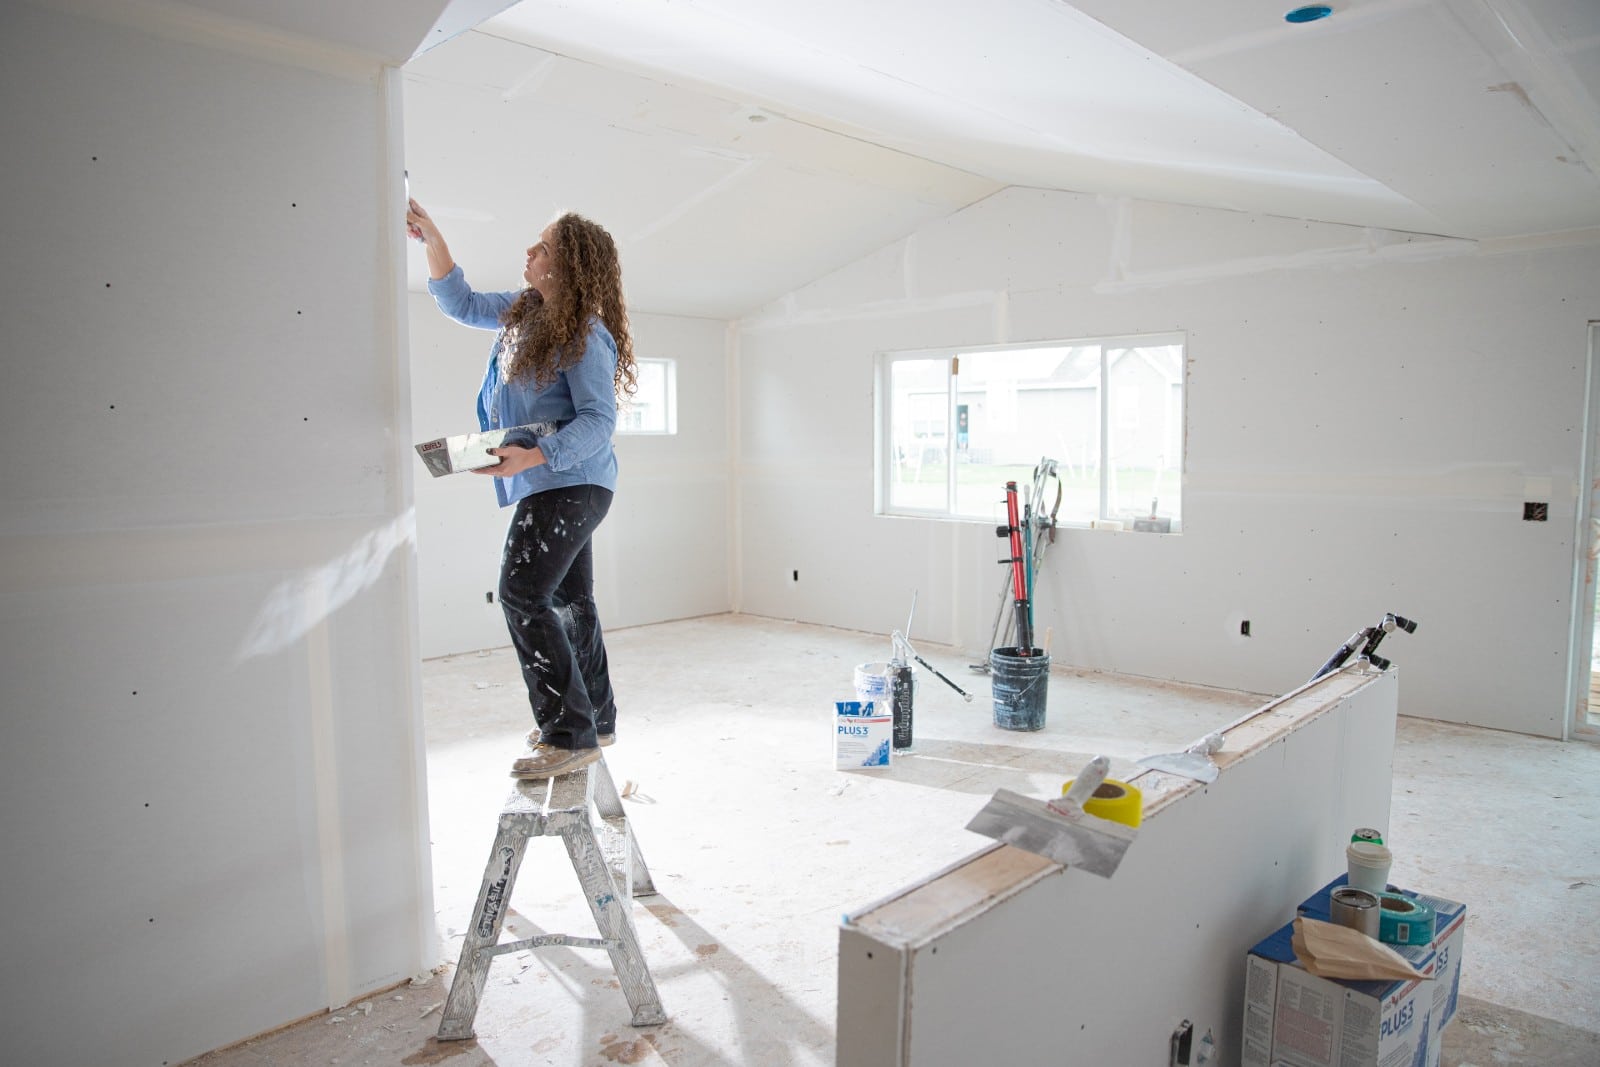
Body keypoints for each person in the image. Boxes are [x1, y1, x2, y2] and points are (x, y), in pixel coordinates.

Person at [406, 198, 636, 779]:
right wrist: (433, 236)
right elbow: (459, 302)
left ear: (568, 266)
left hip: (570, 483)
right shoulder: (525, 314)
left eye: (542, 247)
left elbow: (598, 419)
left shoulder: (583, 332)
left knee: (521, 595)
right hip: (554, 483)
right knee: (569, 600)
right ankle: (597, 720)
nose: (528, 254)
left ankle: (567, 733)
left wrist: (536, 454)